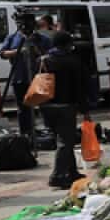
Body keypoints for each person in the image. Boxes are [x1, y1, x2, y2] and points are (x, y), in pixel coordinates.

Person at [37, 32, 90, 189]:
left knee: (63, 139)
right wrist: (85, 109)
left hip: (46, 105)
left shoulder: (43, 60)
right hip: (66, 105)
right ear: (68, 44)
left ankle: (72, 171)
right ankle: (58, 175)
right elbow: (80, 88)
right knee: (65, 141)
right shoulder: (73, 61)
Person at [0, 13, 50, 138]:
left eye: (29, 23)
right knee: (23, 109)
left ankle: (49, 132)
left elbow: (50, 54)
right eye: (22, 24)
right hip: (19, 77)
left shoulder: (42, 38)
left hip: (39, 77)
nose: (26, 27)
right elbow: (2, 53)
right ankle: (26, 134)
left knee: (45, 107)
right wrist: (18, 51)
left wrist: (38, 52)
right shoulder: (13, 38)